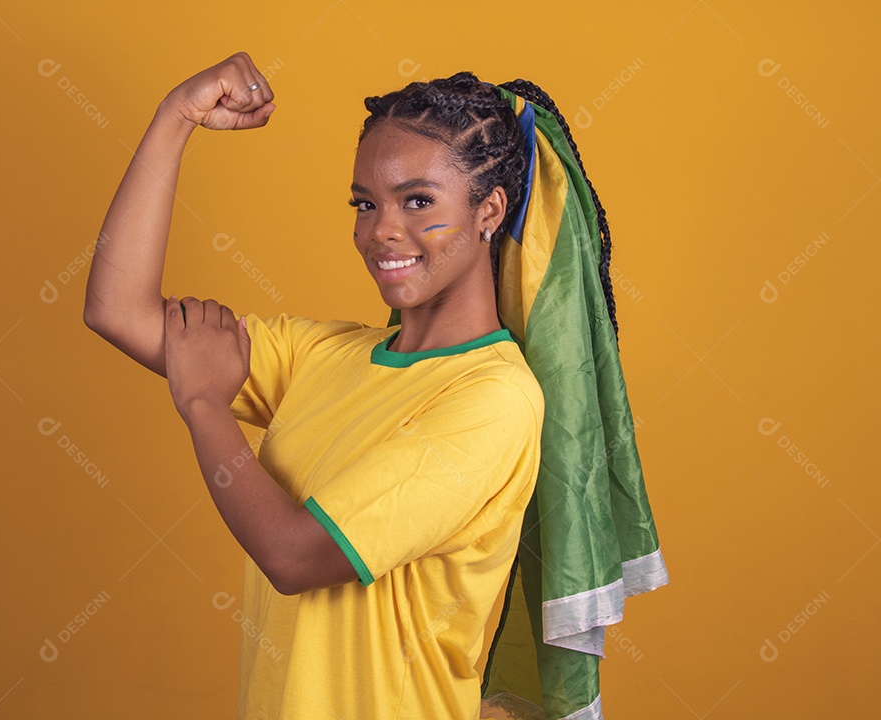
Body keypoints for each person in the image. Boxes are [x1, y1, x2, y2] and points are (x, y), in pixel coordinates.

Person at [85, 51, 563, 719]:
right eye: (365, 204)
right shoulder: (322, 355)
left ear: (490, 210)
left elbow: (297, 557)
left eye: (418, 201)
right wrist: (177, 117)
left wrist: (202, 402)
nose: (381, 231)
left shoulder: (494, 400)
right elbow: (117, 310)